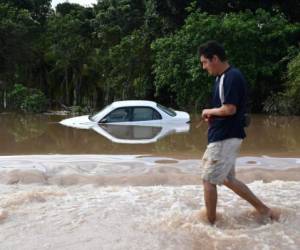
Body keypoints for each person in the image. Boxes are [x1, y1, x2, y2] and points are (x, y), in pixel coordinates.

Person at [198, 41, 278, 224]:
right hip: (225, 134)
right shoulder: (222, 78)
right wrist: (213, 115)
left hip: (225, 137)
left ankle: (210, 224)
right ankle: (265, 210)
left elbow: (230, 109)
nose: (204, 67)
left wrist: (208, 111)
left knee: (208, 180)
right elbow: (225, 110)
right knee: (227, 178)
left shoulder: (230, 77)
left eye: (204, 62)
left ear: (215, 59)